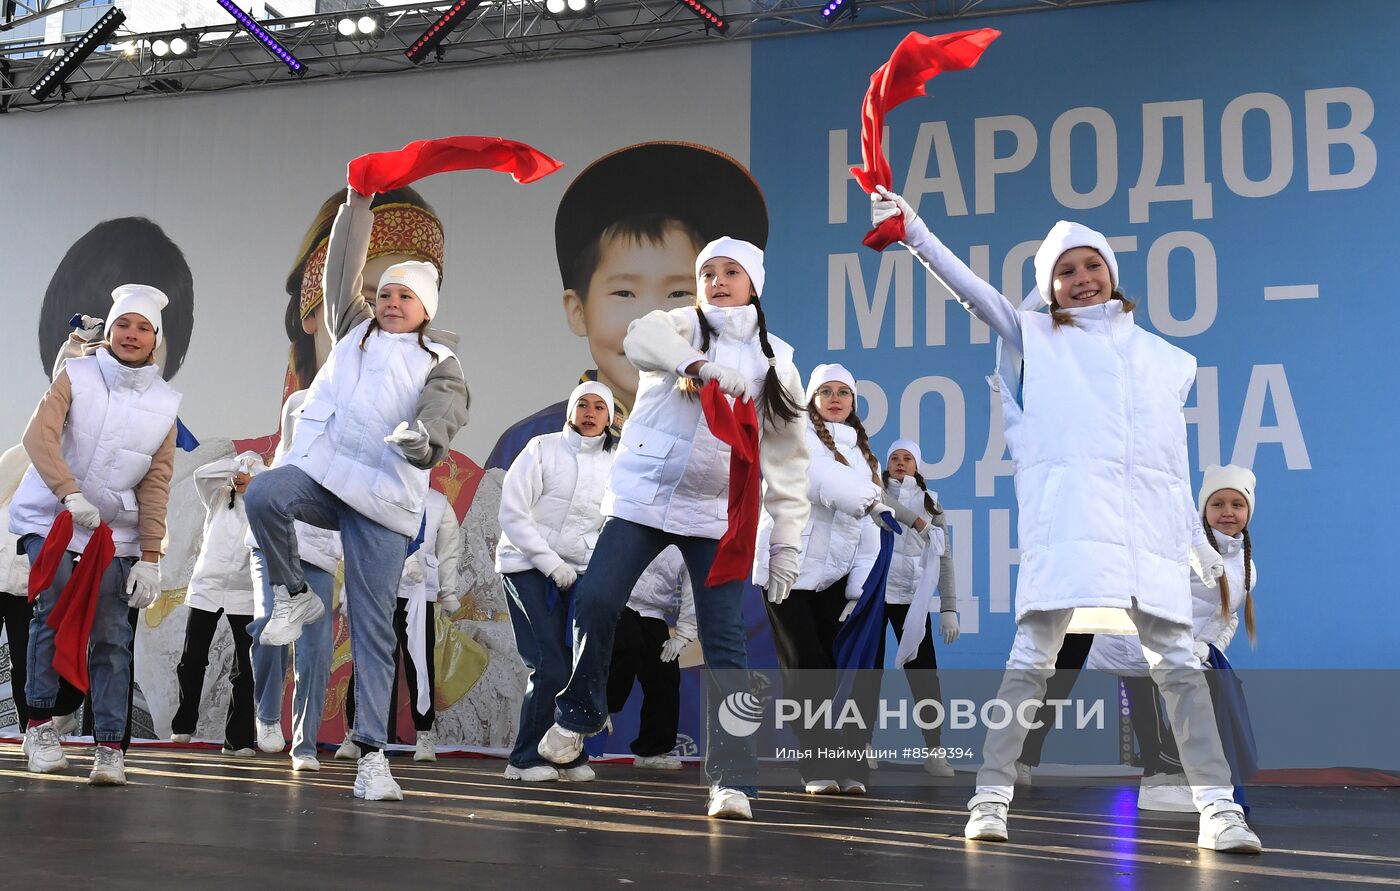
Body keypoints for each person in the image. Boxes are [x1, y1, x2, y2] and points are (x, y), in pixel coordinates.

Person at [871, 187, 1261, 853]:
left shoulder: (1168, 361)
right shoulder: (1037, 340)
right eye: (1065, 271)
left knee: (1176, 668)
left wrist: (1193, 547)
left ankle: (1219, 811)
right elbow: (971, 291)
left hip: (1148, 542)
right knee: (1032, 662)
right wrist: (913, 231)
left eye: (1091, 266)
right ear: (1048, 286)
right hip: (1069, 534)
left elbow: (1168, 468)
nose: (1081, 279)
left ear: (1112, 272)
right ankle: (990, 796)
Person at [536, 237, 810, 820]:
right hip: (642, 500)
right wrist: (701, 366)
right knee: (599, 598)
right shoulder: (678, 325)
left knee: (726, 640)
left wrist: (786, 542)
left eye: (730, 272)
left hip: (714, 515)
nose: (716, 281)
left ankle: (733, 780)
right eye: (707, 271)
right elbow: (639, 339)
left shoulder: (776, 360)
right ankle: (580, 713)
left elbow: (788, 459)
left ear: (753, 284)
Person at [244, 182, 469, 802]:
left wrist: (423, 440)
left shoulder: (437, 362)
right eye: (386, 292)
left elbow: (446, 410)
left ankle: (372, 755)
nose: (391, 301)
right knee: (264, 495)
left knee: (373, 630)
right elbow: (339, 271)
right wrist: (358, 204)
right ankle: (294, 597)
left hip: (383, 500)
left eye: (405, 295)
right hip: (325, 476)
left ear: (427, 308)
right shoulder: (352, 330)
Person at [486, 142, 767, 471]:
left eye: (679, 294)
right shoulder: (528, 444)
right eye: (624, 294)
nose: (651, 321)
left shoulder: (742, 434)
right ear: (578, 310)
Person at [11, 285, 181, 785]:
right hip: (52, 514)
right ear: (108, 333)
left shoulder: (166, 404)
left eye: (143, 327)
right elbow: (37, 436)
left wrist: (150, 556)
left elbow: (156, 482)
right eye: (122, 325)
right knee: (54, 604)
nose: (132, 334)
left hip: (115, 532)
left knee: (112, 632)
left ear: (155, 340)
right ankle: (40, 726)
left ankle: (109, 747)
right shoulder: (77, 374)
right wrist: (68, 493)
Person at [1088, 464, 1261, 812]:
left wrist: (1209, 649)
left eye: (1237, 504)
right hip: (1137, 641)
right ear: (1203, 510)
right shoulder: (1182, 549)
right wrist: (1183, 648)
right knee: (1151, 709)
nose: (1227, 512)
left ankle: (1171, 782)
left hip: (1179, 652)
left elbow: (1227, 620)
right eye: (1218, 504)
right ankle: (1159, 782)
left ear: (1248, 511)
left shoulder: (1246, 566)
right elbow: (1156, 598)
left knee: (1193, 701)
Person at [755, 363, 888, 795]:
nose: (835, 399)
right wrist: (875, 500)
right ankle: (815, 766)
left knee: (840, 673)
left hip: (835, 579)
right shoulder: (797, 438)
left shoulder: (866, 457)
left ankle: (849, 764)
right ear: (811, 399)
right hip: (786, 573)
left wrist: (858, 589)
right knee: (806, 670)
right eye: (825, 391)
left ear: (853, 403)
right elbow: (823, 481)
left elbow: (871, 531)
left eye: (843, 393)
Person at [248, 389, 343, 772]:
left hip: (319, 553)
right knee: (270, 626)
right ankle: (268, 714)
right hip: (271, 546)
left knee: (315, 652)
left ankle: (304, 746)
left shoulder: (355, 432)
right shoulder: (298, 405)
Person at [342, 486, 461, 763]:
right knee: (368, 660)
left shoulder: (438, 503)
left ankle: (424, 734)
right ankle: (355, 733)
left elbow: (449, 550)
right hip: (379, 587)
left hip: (419, 591)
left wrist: (450, 590)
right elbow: (364, 540)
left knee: (420, 663)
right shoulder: (384, 493)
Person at [170, 452, 266, 756]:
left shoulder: (263, 505)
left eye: (248, 472)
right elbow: (202, 473)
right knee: (192, 660)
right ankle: (183, 724)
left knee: (245, 668)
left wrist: (256, 479)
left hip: (245, 593)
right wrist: (237, 467)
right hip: (206, 587)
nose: (241, 477)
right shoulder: (217, 495)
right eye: (239, 471)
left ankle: (237, 740)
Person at [881, 439, 959, 777]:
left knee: (925, 675)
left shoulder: (933, 505)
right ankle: (861, 746)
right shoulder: (871, 491)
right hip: (873, 595)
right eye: (895, 458)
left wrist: (949, 608)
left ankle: (934, 750)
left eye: (907, 458)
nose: (900, 463)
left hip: (912, 598)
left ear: (917, 466)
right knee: (865, 672)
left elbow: (945, 557)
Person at [607, 546, 695, 770]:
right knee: (627, 647)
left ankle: (652, 750)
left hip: (654, 612)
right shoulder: (641, 513)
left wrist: (683, 635)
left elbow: (693, 588)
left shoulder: (692, 536)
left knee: (666, 675)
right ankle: (598, 713)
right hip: (619, 601)